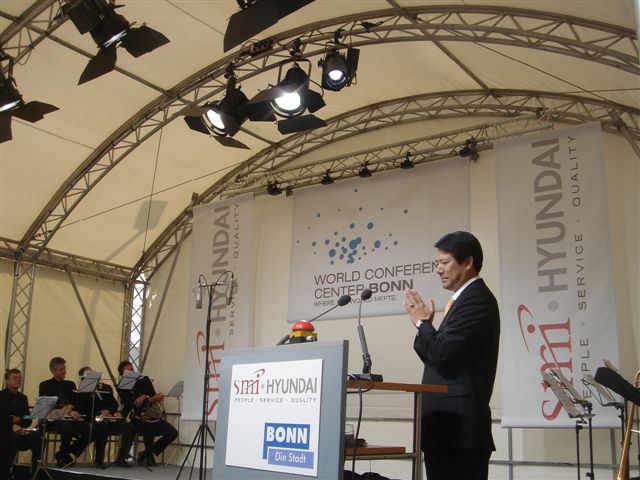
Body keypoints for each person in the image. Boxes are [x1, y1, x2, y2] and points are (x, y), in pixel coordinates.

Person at [404, 231, 500, 480]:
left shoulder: (477, 299)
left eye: (444, 262)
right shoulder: (461, 301)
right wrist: (425, 327)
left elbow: (444, 354)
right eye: (437, 263)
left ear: (467, 262)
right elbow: (437, 357)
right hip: (445, 430)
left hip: (460, 431)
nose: (438, 269)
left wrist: (423, 324)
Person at [116, 361, 177, 467]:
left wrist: (145, 396)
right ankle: (149, 457)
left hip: (149, 414)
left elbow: (153, 395)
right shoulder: (122, 387)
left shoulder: (144, 380)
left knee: (172, 433)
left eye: (132, 369)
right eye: (128, 370)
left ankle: (144, 454)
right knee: (149, 428)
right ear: (122, 372)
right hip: (134, 416)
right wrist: (148, 399)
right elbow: (133, 404)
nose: (131, 371)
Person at [76, 366, 135, 468]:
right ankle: (99, 460)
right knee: (103, 428)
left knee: (129, 428)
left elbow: (114, 404)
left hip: (108, 416)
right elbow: (83, 408)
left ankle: (121, 458)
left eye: (93, 373)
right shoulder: (83, 391)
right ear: (83, 378)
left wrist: (108, 411)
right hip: (94, 417)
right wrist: (99, 413)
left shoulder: (106, 387)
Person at [39, 357, 90, 468]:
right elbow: (46, 404)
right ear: (53, 371)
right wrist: (66, 409)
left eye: (64, 368)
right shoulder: (45, 385)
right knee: (67, 429)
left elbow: (77, 401)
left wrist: (72, 409)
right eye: (60, 369)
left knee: (89, 429)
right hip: (54, 419)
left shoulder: (70, 384)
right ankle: (63, 457)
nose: (64, 371)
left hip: (69, 417)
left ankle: (64, 453)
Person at [0, 368, 42, 474]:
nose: (18, 380)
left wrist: (18, 420)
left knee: (39, 439)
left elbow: (27, 419)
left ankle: (34, 472)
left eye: (20, 378)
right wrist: (11, 424)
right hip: (4, 432)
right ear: (7, 381)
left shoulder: (23, 398)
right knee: (10, 437)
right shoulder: (1, 396)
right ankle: (6, 471)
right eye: (15, 378)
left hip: (20, 431)